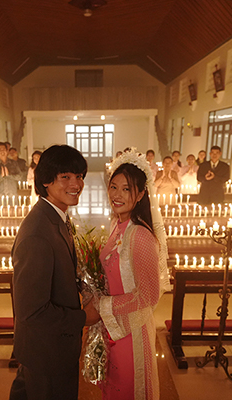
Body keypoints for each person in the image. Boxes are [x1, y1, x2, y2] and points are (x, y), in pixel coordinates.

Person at [9, 144, 99, 400]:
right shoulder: (37, 234)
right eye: (65, 177)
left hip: (52, 347)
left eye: (79, 176)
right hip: (46, 353)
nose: (76, 184)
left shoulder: (54, 217)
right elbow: (32, 311)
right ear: (46, 180)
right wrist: (84, 318)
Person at [97, 149, 171, 400]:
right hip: (114, 327)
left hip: (132, 332)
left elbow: (149, 296)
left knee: (129, 388)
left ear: (140, 194)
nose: (117, 195)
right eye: (113, 187)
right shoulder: (117, 225)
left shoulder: (140, 235)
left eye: (126, 189)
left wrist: (103, 305)